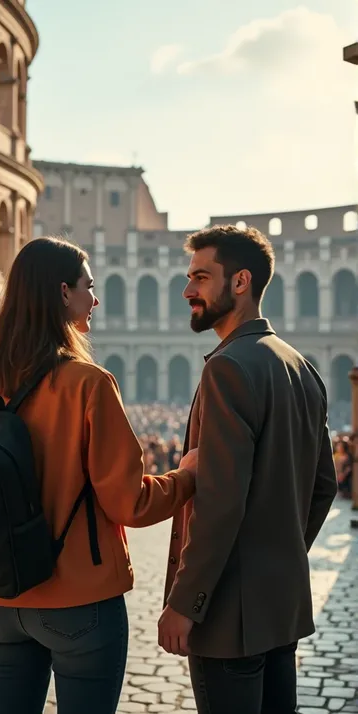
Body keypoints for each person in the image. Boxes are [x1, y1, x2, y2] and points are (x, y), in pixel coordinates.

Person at [0, 236, 198, 714]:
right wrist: (186, 477)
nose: (95, 299)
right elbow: (130, 503)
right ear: (63, 293)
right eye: (89, 286)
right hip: (79, 598)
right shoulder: (89, 384)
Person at [158, 225, 337, 714]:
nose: (187, 289)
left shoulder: (228, 367)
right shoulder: (300, 365)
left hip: (227, 617)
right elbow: (324, 487)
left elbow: (219, 500)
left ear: (240, 282)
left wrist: (184, 601)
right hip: (281, 607)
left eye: (200, 276)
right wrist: (277, 558)